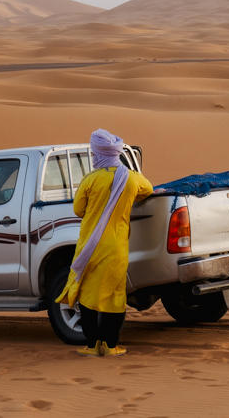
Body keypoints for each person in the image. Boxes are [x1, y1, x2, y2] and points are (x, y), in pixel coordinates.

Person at [56, 129, 153, 357]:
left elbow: (78, 210)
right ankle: (110, 346)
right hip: (117, 247)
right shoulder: (131, 177)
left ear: (97, 154)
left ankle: (91, 346)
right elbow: (148, 190)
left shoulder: (90, 179)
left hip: (91, 246)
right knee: (115, 294)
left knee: (88, 295)